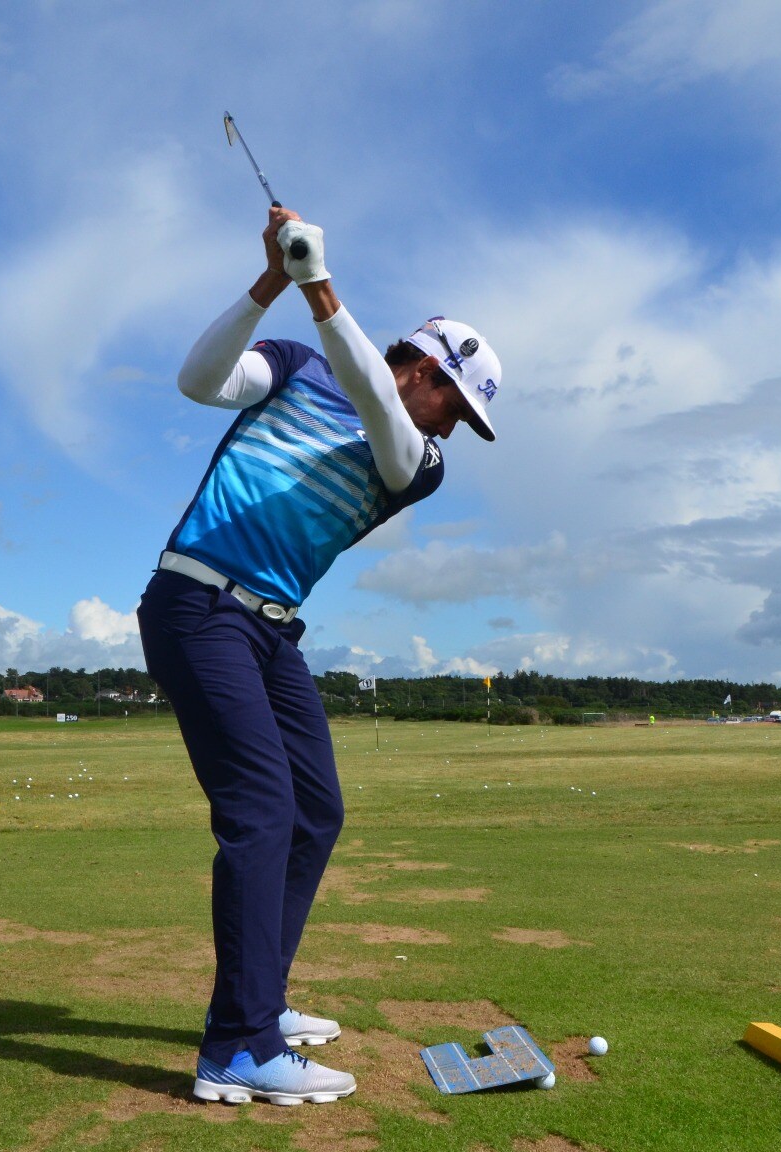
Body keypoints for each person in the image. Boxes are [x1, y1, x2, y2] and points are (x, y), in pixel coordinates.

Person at [137, 208, 501, 1105]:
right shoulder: (295, 369)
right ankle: (237, 1047)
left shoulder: (415, 459)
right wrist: (273, 283)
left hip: (269, 630)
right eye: (454, 405)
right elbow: (197, 381)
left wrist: (317, 286)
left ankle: (259, 999)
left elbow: (374, 398)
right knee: (260, 810)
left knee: (316, 812)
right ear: (428, 369)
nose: (452, 429)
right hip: (197, 603)